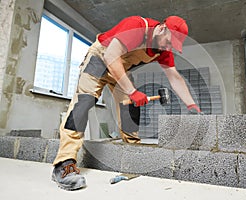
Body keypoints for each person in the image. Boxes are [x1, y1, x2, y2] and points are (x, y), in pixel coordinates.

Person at [51, 15, 202, 190]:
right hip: (100, 59)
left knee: (129, 108)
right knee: (83, 104)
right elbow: (110, 56)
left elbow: (175, 78)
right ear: (161, 29)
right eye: (168, 42)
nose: (168, 48)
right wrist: (132, 91)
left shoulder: (162, 50)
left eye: (172, 46)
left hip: (119, 67)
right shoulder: (137, 26)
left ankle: (134, 151)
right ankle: (63, 164)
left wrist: (191, 105)